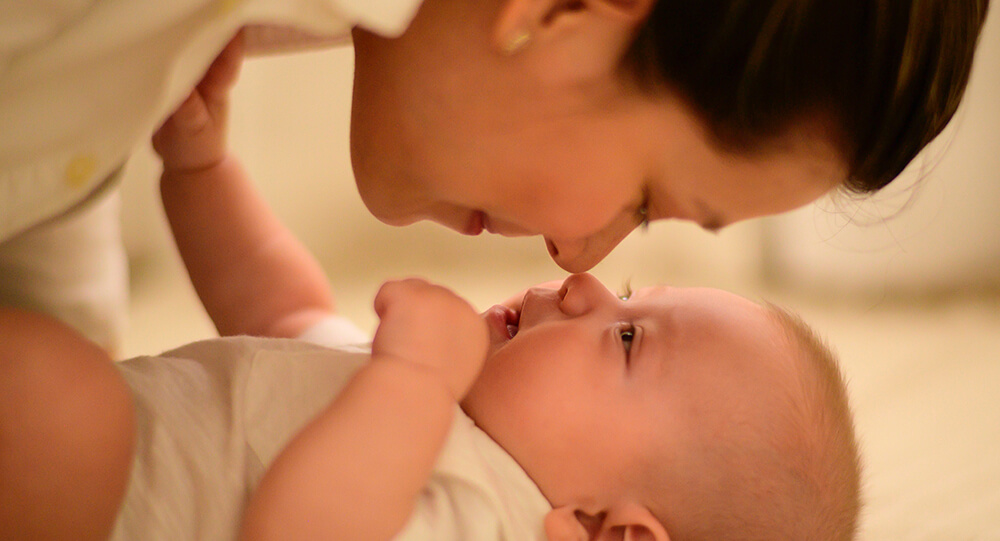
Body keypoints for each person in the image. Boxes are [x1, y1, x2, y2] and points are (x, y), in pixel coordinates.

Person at [3, 46, 861, 540]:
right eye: (627, 292)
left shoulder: (486, 516)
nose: (585, 283)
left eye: (629, 337)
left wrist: (409, 383)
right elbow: (279, 310)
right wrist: (202, 167)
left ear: (617, 533)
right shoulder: (433, 411)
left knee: (59, 403)